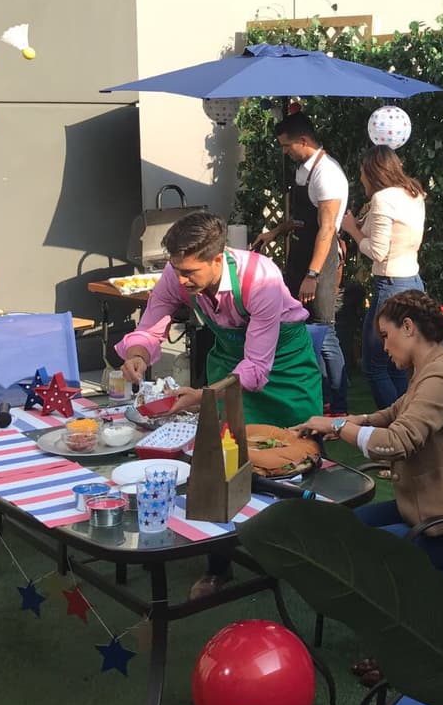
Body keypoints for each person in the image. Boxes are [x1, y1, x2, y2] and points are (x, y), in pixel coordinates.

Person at [118, 212, 323, 598]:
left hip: (285, 367)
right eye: (175, 270)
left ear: (217, 258)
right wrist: (140, 354)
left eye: (189, 272)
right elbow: (150, 324)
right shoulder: (178, 273)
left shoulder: (261, 278)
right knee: (216, 462)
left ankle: (304, 559)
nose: (179, 280)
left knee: (296, 460)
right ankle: (218, 566)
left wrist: (204, 395)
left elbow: (257, 367)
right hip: (229, 362)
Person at [295, 290, 443, 571]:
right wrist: (355, 421)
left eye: (385, 335)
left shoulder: (440, 377)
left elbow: (397, 441)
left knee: (352, 549)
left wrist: (339, 426)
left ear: (408, 327)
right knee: (343, 530)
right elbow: (394, 413)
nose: (384, 346)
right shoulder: (432, 366)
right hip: (428, 512)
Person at [253, 112, 349, 414]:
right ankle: (317, 395)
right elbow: (299, 220)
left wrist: (313, 274)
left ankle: (338, 403)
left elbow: (326, 228)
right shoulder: (304, 170)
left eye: (287, 146)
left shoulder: (327, 174)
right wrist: (274, 232)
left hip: (319, 261)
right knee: (304, 328)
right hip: (299, 257)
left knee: (324, 330)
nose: (285, 151)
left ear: (303, 141)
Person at [340, 146, 427, 408]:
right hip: (412, 281)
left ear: (373, 172)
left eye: (363, 174)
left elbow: (377, 250)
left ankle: (394, 427)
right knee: (398, 363)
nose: (361, 179)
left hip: (390, 285)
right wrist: (359, 224)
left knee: (374, 365)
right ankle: (406, 425)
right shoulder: (414, 194)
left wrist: (352, 230)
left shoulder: (383, 199)